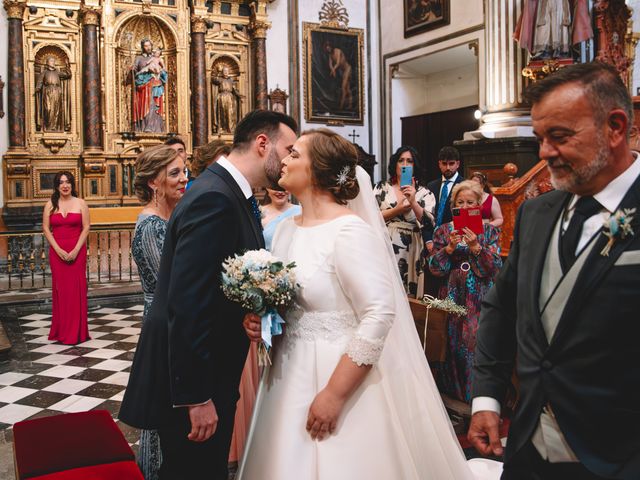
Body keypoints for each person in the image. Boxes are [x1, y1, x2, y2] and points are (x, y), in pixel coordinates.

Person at [238, 129, 501, 480]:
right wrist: (264, 317)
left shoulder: (349, 231)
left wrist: (333, 394)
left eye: (295, 155)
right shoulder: (286, 230)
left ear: (319, 169)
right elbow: (292, 301)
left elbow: (379, 314)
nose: (283, 160)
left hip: (341, 377)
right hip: (287, 376)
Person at [469, 62, 640, 479]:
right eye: (540, 138)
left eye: (559, 137)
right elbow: (501, 307)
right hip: (529, 449)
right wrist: (487, 398)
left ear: (615, 127)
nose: (544, 152)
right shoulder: (534, 213)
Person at [119, 110, 298, 480]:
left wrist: (244, 313)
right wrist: (196, 398)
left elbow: (215, 283)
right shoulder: (215, 198)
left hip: (210, 370)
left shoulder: (229, 192)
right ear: (262, 144)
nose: (290, 159)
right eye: (289, 149)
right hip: (195, 384)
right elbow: (187, 303)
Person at [130, 145, 188, 479]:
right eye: (175, 173)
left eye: (185, 172)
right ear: (154, 182)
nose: (184, 180)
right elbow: (172, 286)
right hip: (163, 325)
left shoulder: (169, 217)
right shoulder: (152, 226)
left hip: (173, 322)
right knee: (162, 407)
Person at [428, 180, 502, 402]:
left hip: (479, 296)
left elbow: (495, 267)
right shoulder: (443, 231)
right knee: (450, 346)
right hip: (451, 295)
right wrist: (449, 248)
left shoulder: (489, 231)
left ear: (479, 205)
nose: (465, 205)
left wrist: (475, 247)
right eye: (460, 202)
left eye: (470, 202)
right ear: (454, 206)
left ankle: (477, 399)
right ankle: (452, 399)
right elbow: (434, 268)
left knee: (476, 345)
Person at [374, 146, 435, 296]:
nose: (405, 164)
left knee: (409, 294)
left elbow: (429, 223)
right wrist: (397, 210)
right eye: (401, 160)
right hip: (385, 243)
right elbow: (370, 216)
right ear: (395, 164)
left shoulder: (425, 192)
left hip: (413, 247)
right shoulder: (382, 188)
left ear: (415, 166)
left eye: (410, 161)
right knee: (385, 289)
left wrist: (413, 202)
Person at [42, 171, 90, 345]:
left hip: (77, 250)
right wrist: (57, 249)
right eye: (61, 182)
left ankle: (77, 332)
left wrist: (76, 249)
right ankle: (61, 331)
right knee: (61, 291)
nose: (65, 185)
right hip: (57, 252)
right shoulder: (50, 205)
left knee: (76, 289)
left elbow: (86, 228)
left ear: (72, 184)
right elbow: (46, 229)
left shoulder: (81, 203)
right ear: (56, 186)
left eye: (68, 181)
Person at [513, 0, 593, 59]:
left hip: (561, 3)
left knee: (560, 25)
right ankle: (543, 50)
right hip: (544, 4)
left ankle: (561, 50)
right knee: (544, 26)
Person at [424, 146, 464, 252]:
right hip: (431, 240)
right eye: (444, 164)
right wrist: (428, 240)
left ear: (458, 164)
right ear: (439, 164)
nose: (448, 168)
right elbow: (427, 215)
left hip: (455, 240)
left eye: (451, 164)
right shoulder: (431, 186)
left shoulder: (465, 185)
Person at [132, 38, 167, 133]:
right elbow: (134, 70)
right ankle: (146, 126)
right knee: (147, 104)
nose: (148, 48)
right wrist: (133, 69)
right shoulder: (139, 58)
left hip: (155, 84)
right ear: (143, 47)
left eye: (149, 45)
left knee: (155, 105)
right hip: (144, 86)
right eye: (146, 46)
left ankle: (156, 127)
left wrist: (160, 71)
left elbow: (163, 70)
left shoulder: (156, 58)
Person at [35, 56, 71, 132]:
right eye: (51, 61)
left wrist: (67, 65)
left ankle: (55, 127)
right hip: (47, 91)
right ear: (47, 63)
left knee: (56, 109)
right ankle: (48, 127)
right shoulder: (44, 72)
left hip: (57, 91)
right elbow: (40, 81)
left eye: (54, 61)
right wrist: (38, 88)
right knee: (48, 109)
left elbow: (68, 75)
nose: (53, 62)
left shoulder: (57, 72)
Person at [212, 66, 242, 134]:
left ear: (228, 72)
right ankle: (222, 128)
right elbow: (213, 79)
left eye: (227, 71)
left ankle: (230, 129)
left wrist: (239, 95)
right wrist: (218, 72)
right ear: (222, 72)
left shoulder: (231, 80)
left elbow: (234, 89)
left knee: (230, 113)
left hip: (229, 97)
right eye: (224, 71)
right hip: (222, 97)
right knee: (222, 113)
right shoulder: (220, 79)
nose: (225, 72)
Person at [324, 41, 353, 111]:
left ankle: (341, 106)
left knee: (343, 87)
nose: (329, 49)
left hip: (347, 68)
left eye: (329, 48)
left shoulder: (338, 51)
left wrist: (333, 70)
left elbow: (338, 63)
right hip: (342, 71)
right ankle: (350, 105)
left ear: (331, 46)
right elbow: (330, 64)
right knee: (347, 89)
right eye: (327, 49)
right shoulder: (330, 55)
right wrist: (332, 70)